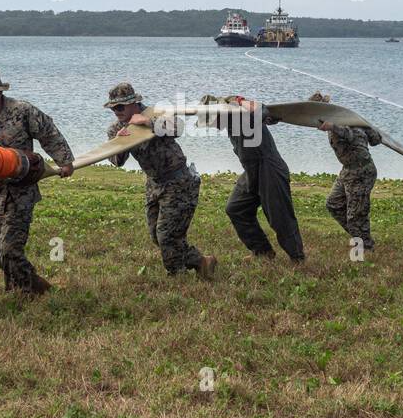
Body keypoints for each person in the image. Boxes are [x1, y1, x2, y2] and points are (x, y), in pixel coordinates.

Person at [0, 68, 74, 296]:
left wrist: (65, 161)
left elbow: (48, 133)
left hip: (20, 191)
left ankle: (24, 290)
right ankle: (34, 284)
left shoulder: (22, 111)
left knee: (10, 249)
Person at [105, 83, 216, 280]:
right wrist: (120, 143)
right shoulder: (116, 128)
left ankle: (177, 277)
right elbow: (117, 162)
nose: (116, 112)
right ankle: (201, 262)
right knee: (157, 236)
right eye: (113, 108)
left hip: (179, 181)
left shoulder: (157, 113)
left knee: (167, 235)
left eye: (120, 107)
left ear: (134, 103)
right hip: (154, 184)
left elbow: (177, 129)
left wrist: (148, 123)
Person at [198, 93, 304, 263]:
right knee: (235, 208)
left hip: (269, 169)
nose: (213, 125)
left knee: (279, 217)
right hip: (251, 171)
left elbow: (263, 110)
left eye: (212, 120)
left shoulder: (241, 113)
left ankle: (297, 258)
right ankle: (262, 252)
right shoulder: (230, 121)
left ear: (220, 113)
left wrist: (243, 103)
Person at [309, 92, 382, 252]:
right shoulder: (335, 121)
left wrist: (333, 127)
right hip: (348, 170)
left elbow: (369, 138)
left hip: (361, 171)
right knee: (333, 204)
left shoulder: (343, 122)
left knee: (356, 216)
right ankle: (363, 239)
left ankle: (364, 250)